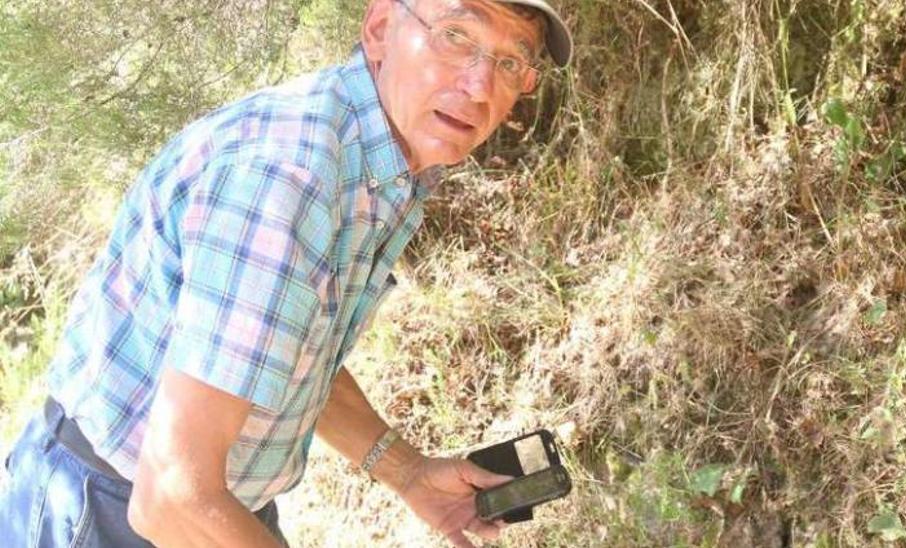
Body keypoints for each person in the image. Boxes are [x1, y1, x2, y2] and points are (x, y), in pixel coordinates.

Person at [0, 0, 572, 546]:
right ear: (378, 28)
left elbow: (284, 349)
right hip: (109, 513)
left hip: (209, 505)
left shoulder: (380, 163)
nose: (479, 87)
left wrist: (408, 474)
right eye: (455, 36)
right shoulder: (288, 180)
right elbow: (171, 497)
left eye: (510, 61)